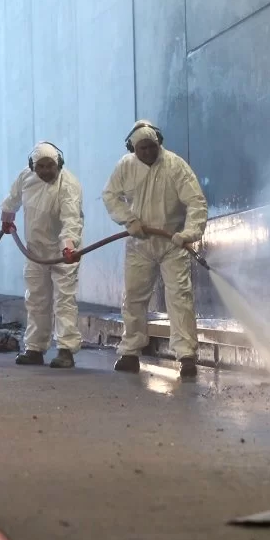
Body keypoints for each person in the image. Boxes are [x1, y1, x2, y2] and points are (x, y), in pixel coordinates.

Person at [102, 121, 208, 378]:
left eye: (152, 147)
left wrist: (189, 233)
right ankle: (130, 352)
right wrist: (129, 220)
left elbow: (195, 201)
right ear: (133, 148)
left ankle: (186, 357)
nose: (148, 152)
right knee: (134, 297)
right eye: (142, 148)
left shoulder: (175, 166)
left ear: (159, 143)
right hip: (140, 243)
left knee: (180, 299)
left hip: (172, 243)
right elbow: (110, 196)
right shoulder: (125, 167)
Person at [0, 142, 84, 369]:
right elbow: (13, 198)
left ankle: (66, 350)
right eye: (41, 166)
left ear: (59, 164)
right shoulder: (26, 178)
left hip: (62, 252)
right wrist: (7, 217)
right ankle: (35, 348)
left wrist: (68, 246)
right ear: (32, 166)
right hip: (34, 251)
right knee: (36, 299)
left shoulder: (69, 186)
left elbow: (71, 219)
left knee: (64, 300)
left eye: (50, 166)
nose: (46, 171)